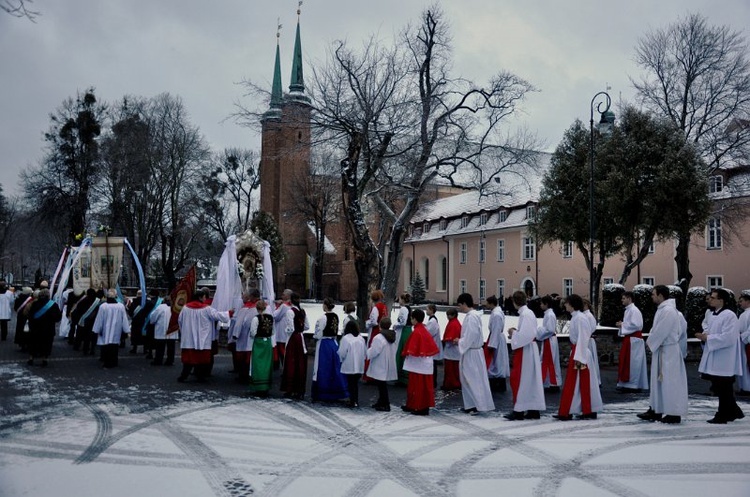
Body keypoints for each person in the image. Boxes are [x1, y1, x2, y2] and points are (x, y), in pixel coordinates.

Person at [638, 285, 688, 424]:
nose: (651, 297)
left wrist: (650, 343)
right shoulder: (663, 310)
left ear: (661, 295)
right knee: (658, 382)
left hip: (668, 351)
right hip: (662, 350)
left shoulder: (669, 311)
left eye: (653, 294)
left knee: (670, 382)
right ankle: (656, 408)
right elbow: (656, 329)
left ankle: (673, 412)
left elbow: (661, 330)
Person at [695, 288, 744, 424]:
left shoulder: (729, 315)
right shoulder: (713, 314)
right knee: (721, 386)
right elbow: (710, 330)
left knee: (724, 387)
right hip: (716, 355)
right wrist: (706, 336)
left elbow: (729, 337)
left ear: (721, 300)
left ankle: (723, 414)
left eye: (713, 297)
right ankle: (733, 411)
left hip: (725, 357)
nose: (710, 299)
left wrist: (708, 338)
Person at [555, 294, 603, 421]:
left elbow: (583, 337)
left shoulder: (580, 318)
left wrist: (579, 358)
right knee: (577, 382)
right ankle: (578, 409)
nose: (565, 305)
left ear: (572, 304)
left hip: (580, 354)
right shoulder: (577, 317)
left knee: (578, 382)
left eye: (566, 303)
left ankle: (582, 409)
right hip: (578, 352)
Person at [506, 291, 546, 420]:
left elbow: (526, 335)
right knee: (529, 381)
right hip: (528, 350)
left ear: (515, 302)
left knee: (521, 380)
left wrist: (513, 334)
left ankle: (519, 410)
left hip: (526, 351)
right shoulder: (527, 313)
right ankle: (532, 409)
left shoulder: (526, 314)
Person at [177, 291, 230, 383]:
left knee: (188, 361)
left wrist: (185, 332)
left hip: (189, 339)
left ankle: (183, 376)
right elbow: (217, 315)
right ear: (201, 297)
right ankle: (200, 377)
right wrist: (229, 313)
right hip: (202, 338)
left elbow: (180, 320)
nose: (205, 299)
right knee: (201, 360)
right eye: (205, 297)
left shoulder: (185, 308)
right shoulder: (207, 309)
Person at [455, 293, 495, 414]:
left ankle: (478, 404)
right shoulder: (472, 316)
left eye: (460, 305)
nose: (459, 307)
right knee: (469, 378)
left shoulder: (472, 317)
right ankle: (471, 404)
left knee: (473, 378)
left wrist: (460, 341)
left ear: (464, 304)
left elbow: (471, 335)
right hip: (471, 351)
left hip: (472, 352)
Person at [401, 309, 439, 415]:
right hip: (422, 363)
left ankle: (420, 407)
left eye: (411, 318)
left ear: (415, 319)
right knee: (417, 386)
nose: (410, 319)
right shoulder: (422, 330)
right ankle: (413, 405)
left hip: (419, 364)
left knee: (418, 387)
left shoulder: (417, 332)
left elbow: (413, 348)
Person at [311, 298, 349, 402]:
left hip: (324, 344)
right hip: (333, 343)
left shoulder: (323, 318)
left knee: (323, 367)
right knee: (334, 367)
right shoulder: (335, 316)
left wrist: (315, 337)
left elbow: (318, 333)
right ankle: (335, 391)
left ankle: (323, 392)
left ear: (325, 305)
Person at [615, 291, 649, 393]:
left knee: (633, 363)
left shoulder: (634, 310)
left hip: (634, 341)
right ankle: (625, 383)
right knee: (626, 361)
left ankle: (633, 384)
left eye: (624, 298)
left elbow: (637, 325)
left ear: (629, 298)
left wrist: (622, 325)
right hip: (630, 339)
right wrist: (623, 324)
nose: (622, 300)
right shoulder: (628, 311)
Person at [280, 292, 309, 400]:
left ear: (290, 301)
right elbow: (307, 326)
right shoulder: (302, 311)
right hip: (301, 338)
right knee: (300, 364)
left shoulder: (290, 312)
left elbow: (290, 328)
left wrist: (286, 330)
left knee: (291, 363)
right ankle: (299, 389)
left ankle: (290, 388)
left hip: (293, 339)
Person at [92, 289, 131, 369]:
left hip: (105, 330)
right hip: (117, 330)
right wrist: (126, 330)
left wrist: (97, 329)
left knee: (106, 346)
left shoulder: (103, 307)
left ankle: (107, 362)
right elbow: (124, 319)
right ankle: (114, 362)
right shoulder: (120, 306)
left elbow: (99, 319)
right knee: (114, 346)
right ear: (116, 296)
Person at [26, 289, 62, 367]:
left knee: (33, 343)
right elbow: (57, 318)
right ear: (48, 295)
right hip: (48, 329)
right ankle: (44, 359)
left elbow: (30, 316)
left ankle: (31, 358)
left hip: (35, 328)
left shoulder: (35, 304)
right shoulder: (53, 305)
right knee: (46, 344)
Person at [367, 317, 397, 411]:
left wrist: (367, 353)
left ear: (380, 325)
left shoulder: (379, 337)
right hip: (387, 362)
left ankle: (385, 403)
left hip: (380, 363)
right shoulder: (391, 336)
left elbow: (375, 351)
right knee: (381, 384)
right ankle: (381, 401)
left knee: (381, 385)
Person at [230, 290, 260, 383]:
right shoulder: (263, 307)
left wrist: (235, 334)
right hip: (258, 337)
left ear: (250, 297)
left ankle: (243, 376)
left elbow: (239, 323)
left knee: (243, 358)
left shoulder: (245, 309)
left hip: (244, 336)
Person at [247, 299, 275, 397]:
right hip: (267, 343)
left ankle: (258, 386)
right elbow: (273, 332)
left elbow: (253, 332)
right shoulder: (271, 317)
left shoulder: (256, 318)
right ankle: (266, 386)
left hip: (258, 342)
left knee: (258, 364)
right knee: (266, 364)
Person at [338, 319, 366, 407]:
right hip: (359, 364)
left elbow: (342, 352)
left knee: (350, 383)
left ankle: (352, 400)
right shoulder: (360, 338)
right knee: (355, 384)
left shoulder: (346, 338)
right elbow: (365, 351)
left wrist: (341, 360)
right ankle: (355, 400)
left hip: (349, 364)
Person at [537, 295, 562, 391]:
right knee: (547, 361)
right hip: (548, 340)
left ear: (546, 304)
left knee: (550, 362)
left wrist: (539, 331)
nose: (540, 305)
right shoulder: (548, 314)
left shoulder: (550, 315)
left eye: (541, 303)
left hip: (549, 340)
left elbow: (550, 330)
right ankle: (548, 382)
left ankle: (552, 383)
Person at [485, 295, 509, 392]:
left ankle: (497, 382)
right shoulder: (496, 313)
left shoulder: (497, 315)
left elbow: (496, 329)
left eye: (487, 303)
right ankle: (497, 380)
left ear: (491, 303)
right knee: (497, 361)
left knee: (497, 361)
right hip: (496, 337)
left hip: (496, 338)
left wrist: (492, 344)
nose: (486, 305)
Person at [151, 295, 177, 366]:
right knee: (171, 347)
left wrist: (152, 322)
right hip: (172, 329)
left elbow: (153, 317)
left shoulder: (160, 307)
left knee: (160, 347)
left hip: (161, 330)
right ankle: (170, 361)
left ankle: (158, 360)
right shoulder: (176, 307)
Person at [394, 293, 413, 385]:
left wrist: (395, 325)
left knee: (401, 352)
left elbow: (402, 322)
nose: (399, 301)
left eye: (400, 299)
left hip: (403, 331)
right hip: (408, 330)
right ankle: (405, 376)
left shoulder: (403, 309)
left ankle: (402, 377)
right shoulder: (409, 308)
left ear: (403, 300)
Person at [441, 307, 462, 391]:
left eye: (448, 315)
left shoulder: (453, 324)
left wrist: (446, 341)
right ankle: (452, 383)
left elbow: (451, 337)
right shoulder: (454, 322)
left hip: (452, 351)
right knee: (453, 370)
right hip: (453, 350)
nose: (447, 317)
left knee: (451, 370)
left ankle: (451, 384)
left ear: (453, 315)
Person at [272, 289, 293, 369]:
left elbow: (275, 316)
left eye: (284, 294)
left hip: (281, 332)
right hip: (286, 331)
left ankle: (285, 368)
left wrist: (277, 307)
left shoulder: (284, 306)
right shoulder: (291, 305)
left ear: (288, 296)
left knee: (282, 351)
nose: (282, 295)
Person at [582, 299, 601, 385]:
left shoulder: (589, 316)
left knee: (590, 361)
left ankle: (594, 380)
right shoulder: (584, 315)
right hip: (585, 340)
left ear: (585, 305)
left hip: (588, 341)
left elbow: (592, 328)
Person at [425, 304, 443, 387]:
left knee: (433, 364)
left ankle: (433, 382)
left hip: (433, 345)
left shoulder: (432, 321)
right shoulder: (432, 320)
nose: (426, 311)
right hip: (433, 344)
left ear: (432, 310)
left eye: (427, 309)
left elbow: (429, 333)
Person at [737, 294, 750, 396]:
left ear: (748, 301)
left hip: (746, 343)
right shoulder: (743, 314)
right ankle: (745, 386)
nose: (739, 303)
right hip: (743, 342)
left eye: (741, 301)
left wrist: (742, 336)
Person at [13, 287, 33, 352]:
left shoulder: (18, 298)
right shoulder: (30, 299)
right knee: (27, 331)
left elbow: (15, 308)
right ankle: (27, 344)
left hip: (20, 317)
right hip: (28, 317)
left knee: (20, 330)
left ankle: (22, 345)